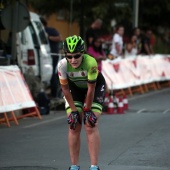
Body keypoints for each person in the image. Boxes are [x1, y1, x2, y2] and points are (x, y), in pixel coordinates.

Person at [57, 35, 106, 170]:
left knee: (90, 124)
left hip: (95, 88)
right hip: (75, 90)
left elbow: (90, 90)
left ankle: (94, 166)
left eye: (76, 56)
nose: (73, 60)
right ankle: (74, 166)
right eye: (69, 56)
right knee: (74, 124)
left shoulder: (91, 63)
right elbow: (66, 89)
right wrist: (74, 111)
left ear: (83, 53)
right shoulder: (62, 65)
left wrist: (88, 110)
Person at [40, 17, 62, 98]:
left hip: (53, 55)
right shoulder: (39, 31)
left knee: (53, 74)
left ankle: (54, 94)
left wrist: (48, 37)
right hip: (45, 55)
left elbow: (59, 38)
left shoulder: (51, 30)